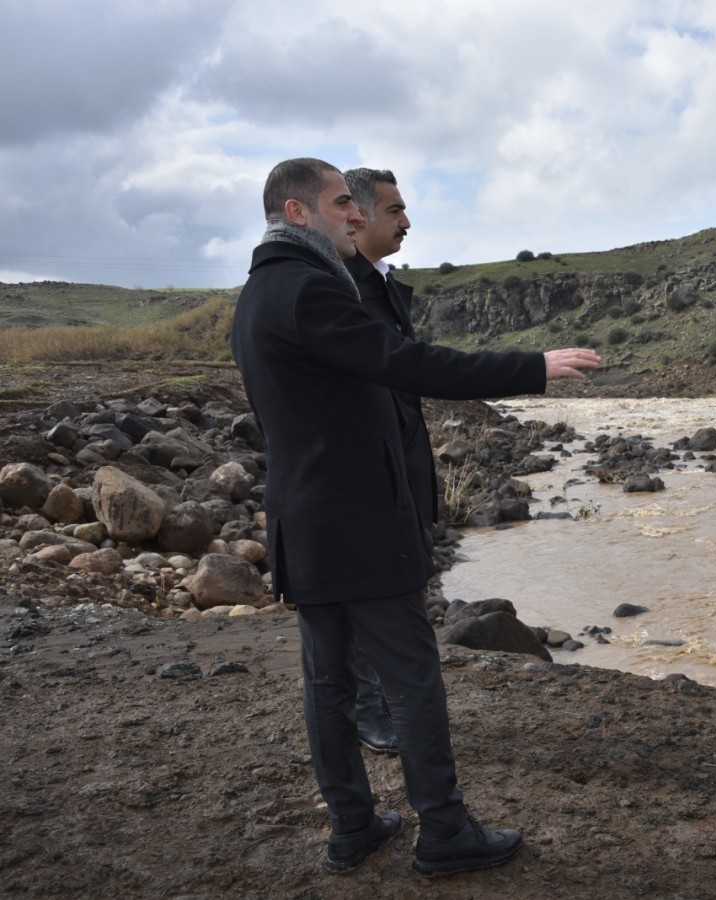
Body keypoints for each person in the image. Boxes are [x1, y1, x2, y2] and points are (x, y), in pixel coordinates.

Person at [230, 157, 600, 876]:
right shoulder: (309, 290)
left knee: (329, 684)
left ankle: (353, 827)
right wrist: (532, 366)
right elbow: (412, 363)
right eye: (343, 203)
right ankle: (445, 832)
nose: (359, 214)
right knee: (411, 679)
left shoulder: (259, 292)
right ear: (298, 212)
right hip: (361, 523)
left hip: (303, 523)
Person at [338, 167, 427, 757]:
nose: (407, 221)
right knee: (363, 599)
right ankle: (368, 708)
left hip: (399, 463)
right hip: (365, 473)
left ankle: (384, 705)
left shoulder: (384, 283)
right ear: (358, 215)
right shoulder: (340, 289)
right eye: (394, 210)